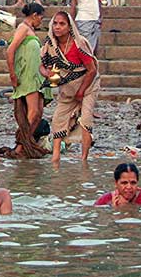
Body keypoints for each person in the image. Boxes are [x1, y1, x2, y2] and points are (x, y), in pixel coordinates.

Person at [40, 11, 100, 164]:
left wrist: (81, 92)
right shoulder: (50, 44)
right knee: (58, 119)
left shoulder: (79, 44)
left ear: (69, 27)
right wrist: (46, 72)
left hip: (88, 86)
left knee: (85, 120)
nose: (58, 27)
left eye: (62, 24)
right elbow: (42, 65)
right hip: (67, 88)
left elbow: (92, 70)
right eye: (55, 23)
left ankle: (84, 159)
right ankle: (56, 157)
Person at [4, 3, 52, 159]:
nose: (41, 21)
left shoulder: (30, 30)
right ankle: (20, 146)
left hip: (37, 77)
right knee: (32, 112)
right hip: (27, 77)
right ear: (35, 15)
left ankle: (25, 143)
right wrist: (12, 74)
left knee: (38, 113)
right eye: (41, 18)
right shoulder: (23, 28)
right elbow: (10, 50)